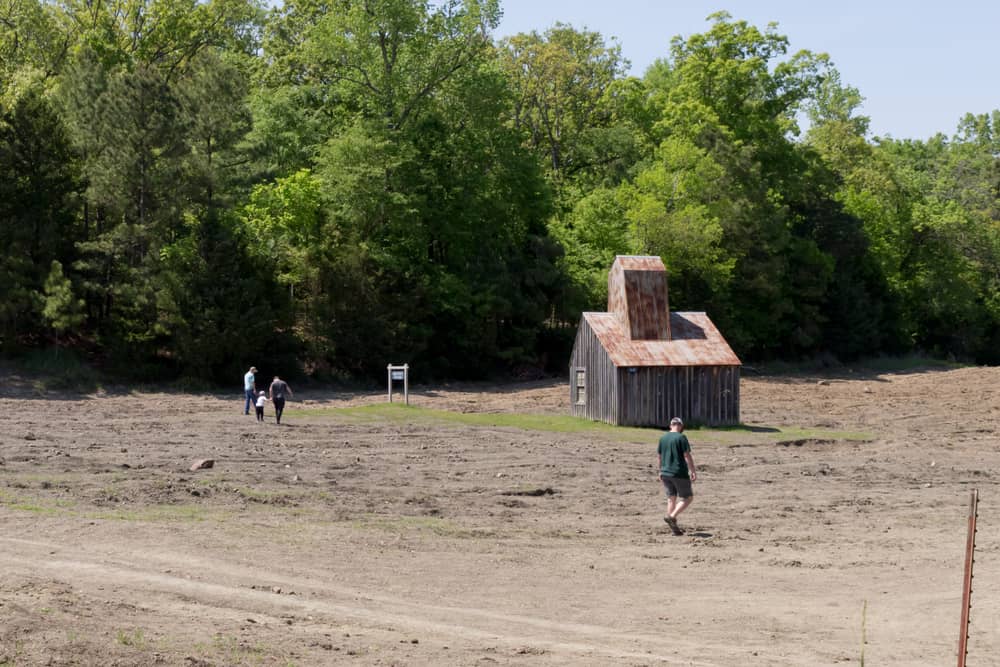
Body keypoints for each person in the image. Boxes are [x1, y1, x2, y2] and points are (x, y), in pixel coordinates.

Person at [657, 417, 697, 536]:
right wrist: (693, 470)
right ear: (681, 426)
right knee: (688, 497)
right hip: (678, 472)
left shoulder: (663, 438)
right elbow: (687, 455)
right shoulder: (681, 437)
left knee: (671, 498)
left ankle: (673, 528)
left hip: (665, 472)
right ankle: (672, 516)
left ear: (671, 426)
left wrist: (660, 471)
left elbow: (659, 456)